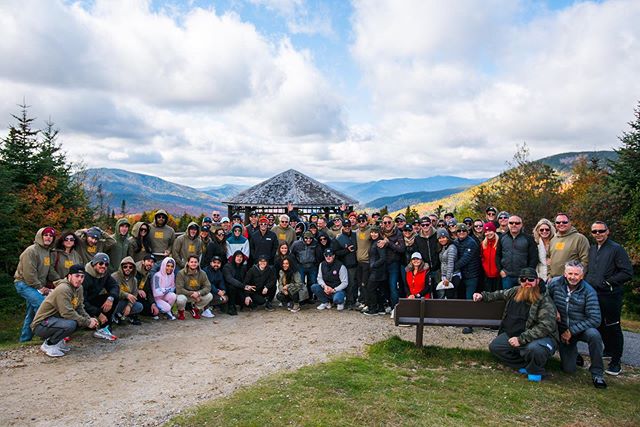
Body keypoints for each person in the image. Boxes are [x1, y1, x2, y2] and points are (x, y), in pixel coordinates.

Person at [473, 267, 558, 382]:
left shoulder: (545, 300)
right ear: (520, 281)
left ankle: (536, 370)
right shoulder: (516, 291)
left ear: (537, 281)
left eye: (531, 280)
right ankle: (525, 365)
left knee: (534, 349)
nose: (527, 282)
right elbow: (500, 294)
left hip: (541, 337)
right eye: (523, 280)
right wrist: (483, 296)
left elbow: (545, 327)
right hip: (516, 333)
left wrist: (521, 339)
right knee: (496, 347)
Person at [547, 261, 607, 388]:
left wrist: (571, 331)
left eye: (576, 274)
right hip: (562, 329)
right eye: (570, 273)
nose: (572, 277)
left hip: (580, 329)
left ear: (582, 276)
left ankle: (597, 373)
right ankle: (575, 356)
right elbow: (544, 297)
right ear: (564, 273)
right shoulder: (555, 283)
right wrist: (553, 308)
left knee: (595, 335)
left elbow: (595, 319)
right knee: (568, 369)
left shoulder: (589, 291)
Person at [585, 221, 633, 376]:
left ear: (607, 231)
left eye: (601, 231)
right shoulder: (593, 249)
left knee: (613, 327)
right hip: (594, 293)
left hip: (610, 295)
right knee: (598, 325)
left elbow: (626, 272)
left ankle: (616, 362)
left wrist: (608, 282)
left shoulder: (616, 249)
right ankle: (607, 352)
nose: (598, 234)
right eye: (594, 232)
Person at [31, 264, 99, 357]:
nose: (79, 279)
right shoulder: (63, 289)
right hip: (41, 324)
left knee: (78, 321)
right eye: (77, 276)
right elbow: (67, 313)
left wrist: (89, 319)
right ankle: (49, 345)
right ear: (69, 276)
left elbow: (79, 307)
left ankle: (58, 342)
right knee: (72, 324)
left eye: (82, 277)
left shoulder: (79, 288)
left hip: (55, 320)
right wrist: (87, 322)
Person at [14, 227, 58, 342]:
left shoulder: (47, 252)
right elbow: (29, 274)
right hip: (24, 284)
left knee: (31, 313)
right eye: (46, 235)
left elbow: (50, 271)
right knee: (43, 305)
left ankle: (25, 340)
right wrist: (41, 288)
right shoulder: (31, 251)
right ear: (40, 236)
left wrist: (60, 282)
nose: (48, 237)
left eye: (51, 236)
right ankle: (48, 336)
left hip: (35, 286)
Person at [83, 253, 119, 341]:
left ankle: (104, 327)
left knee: (114, 298)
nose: (104, 266)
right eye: (101, 263)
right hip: (81, 305)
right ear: (94, 263)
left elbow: (115, 286)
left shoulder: (104, 274)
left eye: (106, 264)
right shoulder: (84, 276)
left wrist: (110, 298)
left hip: (92, 301)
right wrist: (98, 313)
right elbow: (82, 301)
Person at [495, 215, 538, 290]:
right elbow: (498, 255)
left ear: (521, 225)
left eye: (517, 223)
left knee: (523, 300)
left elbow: (534, 258)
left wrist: (528, 274)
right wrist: (500, 271)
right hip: (506, 276)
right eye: (511, 223)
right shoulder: (502, 238)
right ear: (508, 224)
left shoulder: (529, 239)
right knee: (507, 299)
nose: (514, 225)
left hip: (523, 278)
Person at [548, 213, 589, 278]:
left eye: (564, 222)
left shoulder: (580, 238)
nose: (561, 224)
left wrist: (579, 277)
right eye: (558, 222)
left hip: (571, 280)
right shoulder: (553, 240)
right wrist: (549, 275)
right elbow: (549, 260)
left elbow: (585, 261)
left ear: (570, 223)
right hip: (554, 280)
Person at [379, 215, 406, 313]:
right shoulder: (380, 233)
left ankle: (395, 307)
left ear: (393, 223)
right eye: (385, 222)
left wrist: (388, 243)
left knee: (393, 286)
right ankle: (388, 304)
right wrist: (394, 245)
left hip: (393, 263)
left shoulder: (398, 233)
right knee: (383, 285)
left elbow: (401, 249)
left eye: (389, 222)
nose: (387, 224)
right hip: (382, 264)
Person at [175, 255, 214, 320]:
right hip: (185, 295)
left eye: (195, 262)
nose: (193, 264)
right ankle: (181, 312)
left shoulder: (202, 273)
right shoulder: (181, 273)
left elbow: (208, 286)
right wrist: (193, 293)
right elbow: (179, 289)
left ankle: (195, 310)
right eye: (192, 262)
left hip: (197, 295)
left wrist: (199, 293)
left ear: (198, 263)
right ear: (188, 263)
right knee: (180, 299)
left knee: (209, 296)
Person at [333, 219, 358, 309]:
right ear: (342, 226)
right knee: (349, 284)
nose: (347, 227)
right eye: (345, 226)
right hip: (346, 264)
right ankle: (349, 302)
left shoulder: (355, 235)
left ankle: (354, 300)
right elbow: (336, 253)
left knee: (356, 284)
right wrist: (346, 250)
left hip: (357, 263)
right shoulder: (339, 238)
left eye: (349, 226)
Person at [111, 256, 143, 325]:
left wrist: (129, 306)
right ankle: (113, 315)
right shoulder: (114, 276)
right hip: (115, 301)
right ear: (121, 267)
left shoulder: (134, 280)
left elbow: (134, 294)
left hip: (125, 302)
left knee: (139, 306)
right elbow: (112, 290)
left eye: (130, 267)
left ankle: (121, 315)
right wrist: (126, 295)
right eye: (125, 267)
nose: (128, 269)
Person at [362, 225, 386, 316]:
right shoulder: (373, 242)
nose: (373, 234)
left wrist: (373, 265)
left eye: (375, 232)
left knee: (370, 288)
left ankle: (373, 309)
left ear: (379, 233)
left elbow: (383, 258)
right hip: (376, 270)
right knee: (377, 289)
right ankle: (380, 308)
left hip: (377, 270)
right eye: (372, 232)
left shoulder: (379, 243)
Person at [291, 231, 318, 300]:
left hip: (312, 266)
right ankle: (302, 298)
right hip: (301, 266)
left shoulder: (315, 243)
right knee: (301, 282)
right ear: (303, 238)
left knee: (312, 282)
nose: (308, 240)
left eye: (310, 238)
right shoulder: (296, 244)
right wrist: (295, 265)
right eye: (306, 238)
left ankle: (310, 297)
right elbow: (292, 255)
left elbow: (318, 253)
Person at [415, 216, 440, 290]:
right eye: (423, 225)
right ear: (420, 226)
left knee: (439, 291)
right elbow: (417, 253)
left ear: (431, 224)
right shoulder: (417, 238)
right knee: (427, 291)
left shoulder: (437, 235)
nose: (425, 226)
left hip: (438, 269)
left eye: (427, 224)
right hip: (425, 269)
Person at [222, 251, 248, 315]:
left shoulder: (243, 267)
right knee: (232, 287)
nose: (239, 258)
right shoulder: (227, 266)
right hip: (229, 289)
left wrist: (247, 294)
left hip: (240, 289)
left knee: (250, 304)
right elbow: (229, 279)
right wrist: (243, 286)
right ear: (234, 257)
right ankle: (231, 306)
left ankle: (240, 303)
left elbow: (245, 280)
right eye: (237, 256)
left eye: (241, 257)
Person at [135, 254, 160, 318]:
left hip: (140, 298)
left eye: (152, 262)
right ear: (143, 262)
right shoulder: (134, 271)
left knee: (152, 311)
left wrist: (153, 304)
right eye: (148, 261)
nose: (150, 263)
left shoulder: (147, 274)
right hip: (130, 296)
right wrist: (137, 290)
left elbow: (148, 290)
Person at [355, 214, 372, 309]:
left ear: (366, 221)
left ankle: (367, 303)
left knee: (365, 283)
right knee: (360, 283)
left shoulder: (370, 230)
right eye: (359, 220)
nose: (361, 222)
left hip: (367, 261)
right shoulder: (356, 232)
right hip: (359, 261)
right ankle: (362, 301)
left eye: (363, 220)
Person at [437, 228, 458, 299]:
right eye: (440, 238)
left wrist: (448, 279)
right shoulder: (443, 247)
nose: (442, 240)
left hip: (452, 276)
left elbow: (450, 263)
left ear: (447, 237)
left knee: (450, 297)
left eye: (444, 237)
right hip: (444, 276)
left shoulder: (451, 248)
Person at [480, 222, 500, 292]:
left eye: (490, 231)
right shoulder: (483, 244)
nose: (488, 233)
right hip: (487, 275)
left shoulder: (499, 243)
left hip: (498, 276)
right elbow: (482, 258)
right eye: (486, 231)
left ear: (494, 231)